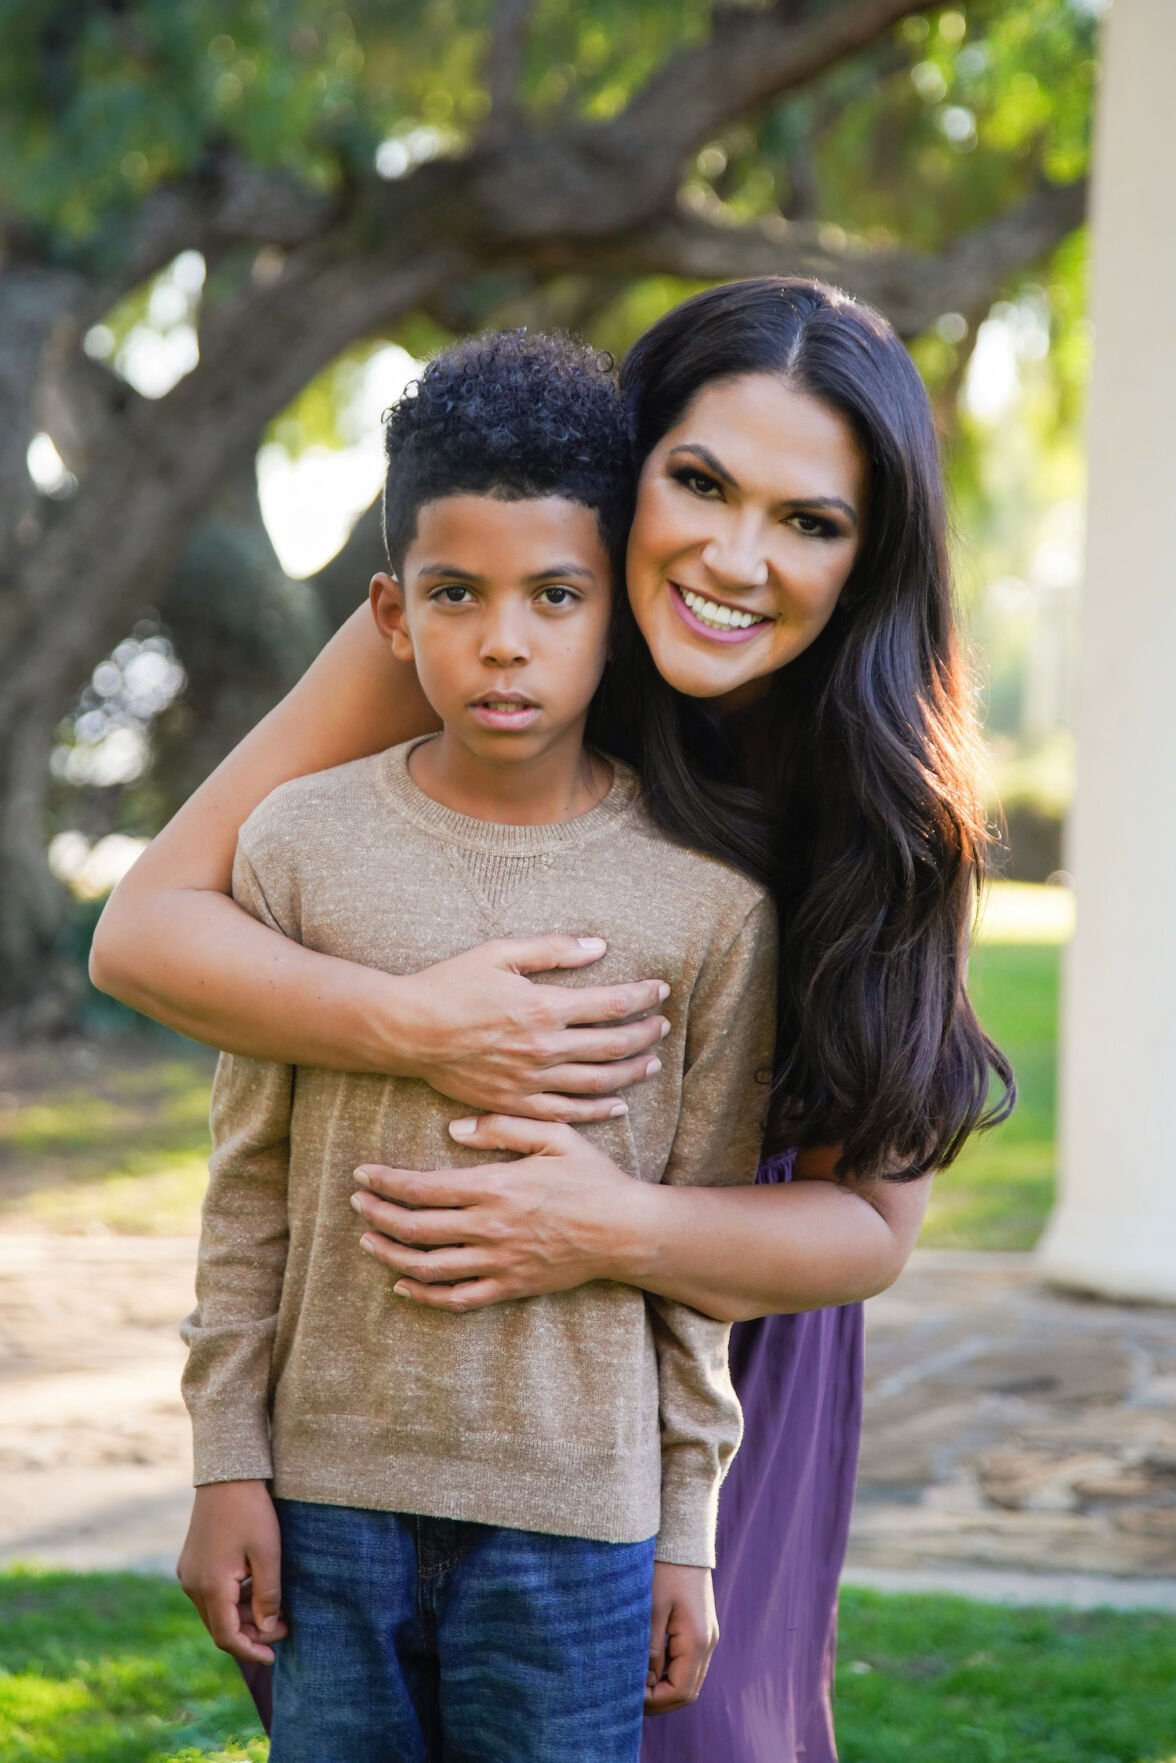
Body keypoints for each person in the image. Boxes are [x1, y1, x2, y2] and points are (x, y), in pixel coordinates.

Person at [92, 278, 1013, 1762]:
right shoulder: (482, 626)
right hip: (409, 1375)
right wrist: (418, 1028)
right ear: (626, 467)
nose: (734, 557)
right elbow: (149, 929)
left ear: (870, 557)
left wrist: (603, 1230)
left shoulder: (889, 805)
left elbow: (874, 1231)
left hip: (714, 1354)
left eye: (809, 521)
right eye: (700, 483)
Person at [176, 328, 780, 1763]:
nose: (503, 639)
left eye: (555, 595)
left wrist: (686, 1527)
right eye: (457, 594)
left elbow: (698, 1251)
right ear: (391, 613)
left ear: (617, 615)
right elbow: (245, 1187)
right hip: (328, 1499)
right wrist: (225, 1467)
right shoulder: (297, 847)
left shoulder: (708, 901)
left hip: (582, 1516)